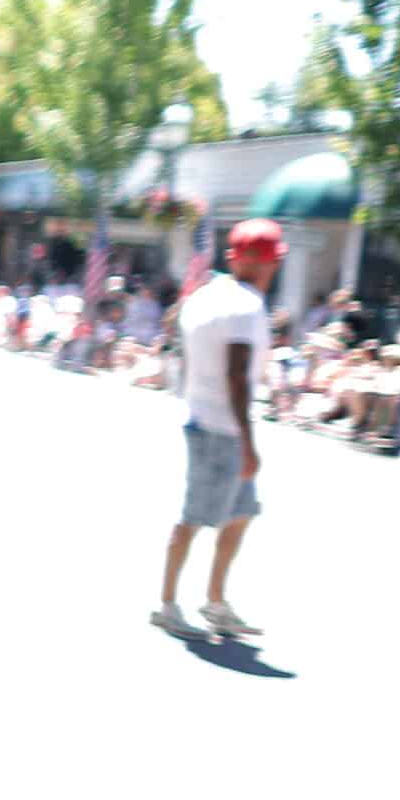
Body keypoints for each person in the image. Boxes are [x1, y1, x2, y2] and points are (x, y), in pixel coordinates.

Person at [156, 219, 283, 641]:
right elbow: (236, 376)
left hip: (203, 416)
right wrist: (248, 443)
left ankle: (214, 601)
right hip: (222, 428)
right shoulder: (247, 306)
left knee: (240, 514)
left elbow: (184, 357)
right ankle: (168, 604)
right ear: (266, 263)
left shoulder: (204, 295)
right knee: (194, 516)